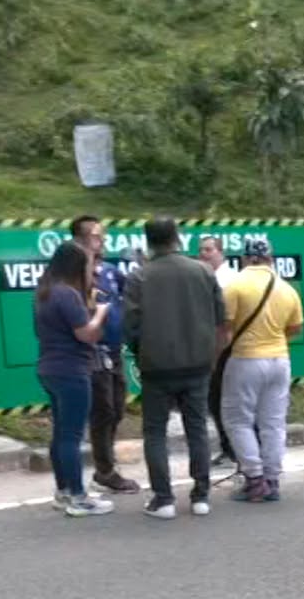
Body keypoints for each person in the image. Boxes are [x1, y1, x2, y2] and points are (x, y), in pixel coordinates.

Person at [125, 217, 227, 519]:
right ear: (177, 237)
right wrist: (212, 356)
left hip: (156, 366)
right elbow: (220, 318)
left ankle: (163, 499)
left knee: (155, 432)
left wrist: (141, 353)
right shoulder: (203, 271)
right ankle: (201, 496)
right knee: (197, 428)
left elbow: (130, 326)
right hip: (197, 364)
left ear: (148, 241)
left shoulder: (140, 276)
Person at [30, 242, 115, 516]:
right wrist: (101, 313)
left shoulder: (44, 293)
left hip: (49, 367)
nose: (93, 271)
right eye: (89, 265)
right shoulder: (67, 294)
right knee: (71, 436)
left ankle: (64, 491)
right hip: (72, 370)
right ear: (77, 267)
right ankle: (79, 497)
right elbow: (86, 334)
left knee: (61, 433)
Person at [219, 238, 304, 503]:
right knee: (273, 423)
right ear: (271, 259)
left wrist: (215, 358)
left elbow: (225, 330)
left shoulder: (235, 286)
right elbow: (295, 328)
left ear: (245, 258)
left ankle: (255, 480)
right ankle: (272, 479)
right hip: (280, 359)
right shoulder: (287, 289)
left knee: (237, 419)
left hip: (246, 359)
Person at [70, 217, 139, 496]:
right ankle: (105, 471)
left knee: (117, 408)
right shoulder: (73, 275)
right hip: (91, 352)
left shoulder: (110, 271)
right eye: (97, 236)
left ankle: (105, 465)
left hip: (114, 351)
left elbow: (131, 291)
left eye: (103, 236)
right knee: (103, 411)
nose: (103, 241)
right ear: (81, 240)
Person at [194, 235, 241, 466]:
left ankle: (237, 450)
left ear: (221, 252)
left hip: (227, 347)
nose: (204, 254)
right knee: (214, 400)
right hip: (209, 345)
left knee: (228, 400)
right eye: (201, 250)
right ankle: (228, 447)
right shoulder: (203, 278)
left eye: (209, 250)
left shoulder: (230, 280)